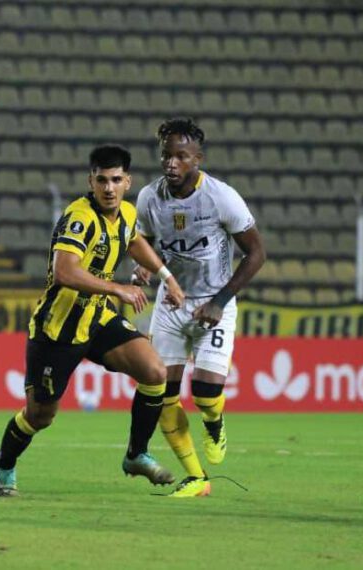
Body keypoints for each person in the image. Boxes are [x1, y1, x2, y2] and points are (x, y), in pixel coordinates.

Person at [0, 144, 186, 497]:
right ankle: (3, 461)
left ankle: (136, 454)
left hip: (97, 319)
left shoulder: (125, 213)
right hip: (58, 329)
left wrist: (167, 277)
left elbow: (133, 241)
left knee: (154, 372)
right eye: (101, 180)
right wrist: (118, 289)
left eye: (115, 180)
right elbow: (65, 270)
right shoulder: (80, 217)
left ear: (128, 181)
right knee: (40, 416)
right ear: (90, 181)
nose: (108, 188)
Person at [132, 117, 266, 498]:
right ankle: (197, 478)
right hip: (171, 303)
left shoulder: (221, 197)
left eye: (181, 156)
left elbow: (257, 253)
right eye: (166, 156)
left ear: (197, 159)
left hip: (214, 303)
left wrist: (220, 301)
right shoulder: (149, 197)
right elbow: (146, 242)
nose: (171, 163)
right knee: (162, 395)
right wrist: (144, 265)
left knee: (206, 395)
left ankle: (215, 421)